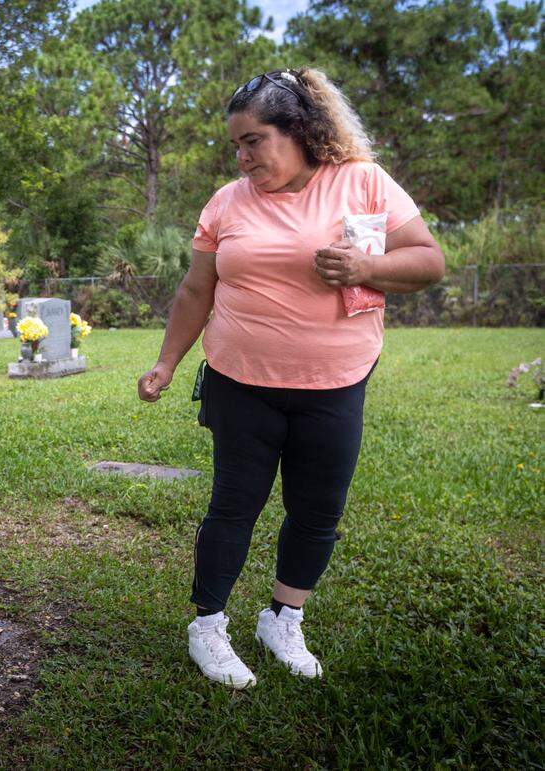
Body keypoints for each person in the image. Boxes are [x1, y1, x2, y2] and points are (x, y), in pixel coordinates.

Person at [137, 68, 444, 689]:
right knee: (233, 506)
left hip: (335, 382)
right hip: (240, 382)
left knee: (317, 510)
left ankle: (283, 617)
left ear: (298, 130)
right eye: (236, 146)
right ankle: (208, 625)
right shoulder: (226, 201)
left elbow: (429, 261)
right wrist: (167, 361)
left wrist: (365, 264)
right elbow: (198, 288)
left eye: (254, 140)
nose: (243, 157)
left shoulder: (361, 182)